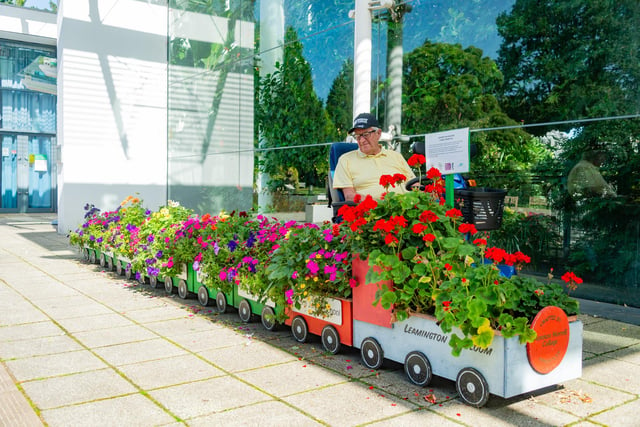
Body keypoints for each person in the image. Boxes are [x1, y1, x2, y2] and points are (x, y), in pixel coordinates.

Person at [332, 113, 416, 201]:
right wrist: (378, 205)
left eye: (366, 134)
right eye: (357, 136)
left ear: (378, 133)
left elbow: (414, 184)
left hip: (405, 207)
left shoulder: (396, 156)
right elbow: (350, 196)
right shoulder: (346, 160)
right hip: (372, 212)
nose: (362, 140)